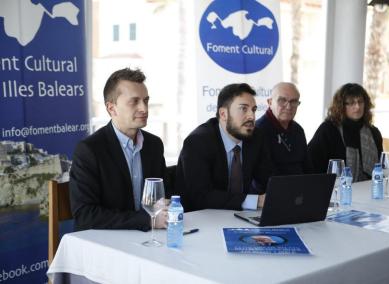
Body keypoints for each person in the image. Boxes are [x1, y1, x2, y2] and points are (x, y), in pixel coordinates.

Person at [69, 68, 168, 231]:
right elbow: (85, 215)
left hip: (149, 239)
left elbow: (163, 197)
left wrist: (166, 206)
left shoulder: (154, 145)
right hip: (106, 245)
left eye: (146, 100)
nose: (144, 108)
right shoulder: (89, 150)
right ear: (111, 109)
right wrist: (146, 221)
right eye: (134, 101)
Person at [176, 83, 272, 212]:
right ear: (223, 114)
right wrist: (256, 201)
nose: (252, 116)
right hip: (202, 219)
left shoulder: (256, 137)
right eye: (244, 109)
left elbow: (267, 178)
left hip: (240, 217)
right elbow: (201, 197)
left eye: (254, 110)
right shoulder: (198, 142)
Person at [308, 83, 383, 182]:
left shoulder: (374, 132)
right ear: (341, 106)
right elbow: (311, 163)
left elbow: (380, 166)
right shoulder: (328, 130)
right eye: (351, 103)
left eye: (360, 102)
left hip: (370, 188)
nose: (357, 107)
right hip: (335, 189)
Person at [256, 82, 312, 175]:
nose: (289, 106)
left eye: (293, 101)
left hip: (300, 187)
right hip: (270, 188)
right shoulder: (258, 130)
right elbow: (261, 175)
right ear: (270, 102)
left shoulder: (298, 130)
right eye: (282, 100)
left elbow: (308, 168)